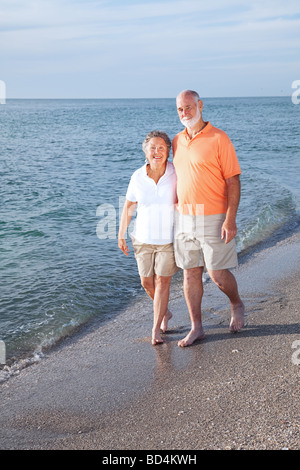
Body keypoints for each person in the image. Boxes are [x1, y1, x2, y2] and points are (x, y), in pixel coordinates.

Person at [172, 89, 245, 347]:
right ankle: (197, 328)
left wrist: (230, 218)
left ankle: (236, 304)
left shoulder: (219, 138)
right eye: (180, 109)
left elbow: (233, 180)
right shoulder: (176, 141)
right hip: (184, 218)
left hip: (214, 215)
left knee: (216, 274)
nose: (184, 113)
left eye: (188, 107)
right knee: (189, 274)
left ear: (200, 105)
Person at [118, 130, 179, 346]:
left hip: (168, 240)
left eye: (161, 148)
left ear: (168, 152)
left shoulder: (176, 172)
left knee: (162, 281)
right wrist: (121, 233)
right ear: (145, 152)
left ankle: (156, 328)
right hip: (142, 239)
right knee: (146, 282)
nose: (157, 152)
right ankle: (165, 310)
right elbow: (129, 205)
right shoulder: (137, 177)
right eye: (152, 148)